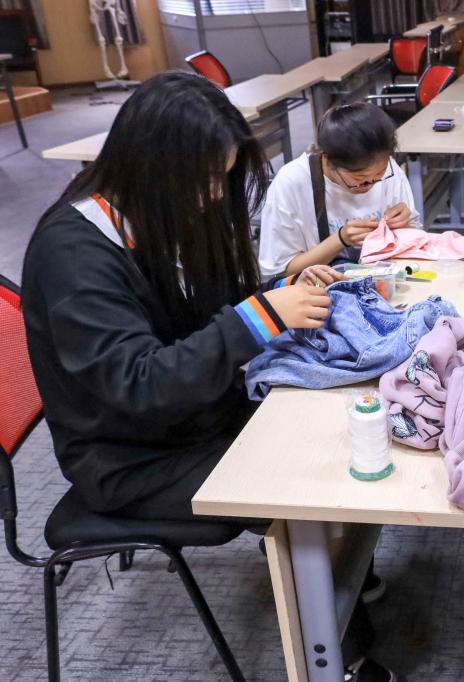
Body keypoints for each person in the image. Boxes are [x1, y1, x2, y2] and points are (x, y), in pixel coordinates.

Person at [21, 72, 394, 682]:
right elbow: (139, 383)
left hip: (192, 414)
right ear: (151, 167)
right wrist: (261, 316)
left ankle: (345, 577)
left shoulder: (153, 215)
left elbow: (209, 306)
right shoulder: (74, 251)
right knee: (299, 481)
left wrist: (280, 291)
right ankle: (339, 655)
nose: (211, 197)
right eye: (203, 182)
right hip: (128, 456)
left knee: (334, 423)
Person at [258, 102, 421, 281]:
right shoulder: (292, 183)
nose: (371, 184)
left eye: (380, 175)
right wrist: (340, 239)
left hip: (385, 281)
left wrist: (404, 224)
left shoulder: (388, 167)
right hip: (319, 289)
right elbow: (282, 271)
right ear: (328, 160)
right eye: (360, 179)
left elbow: (415, 235)